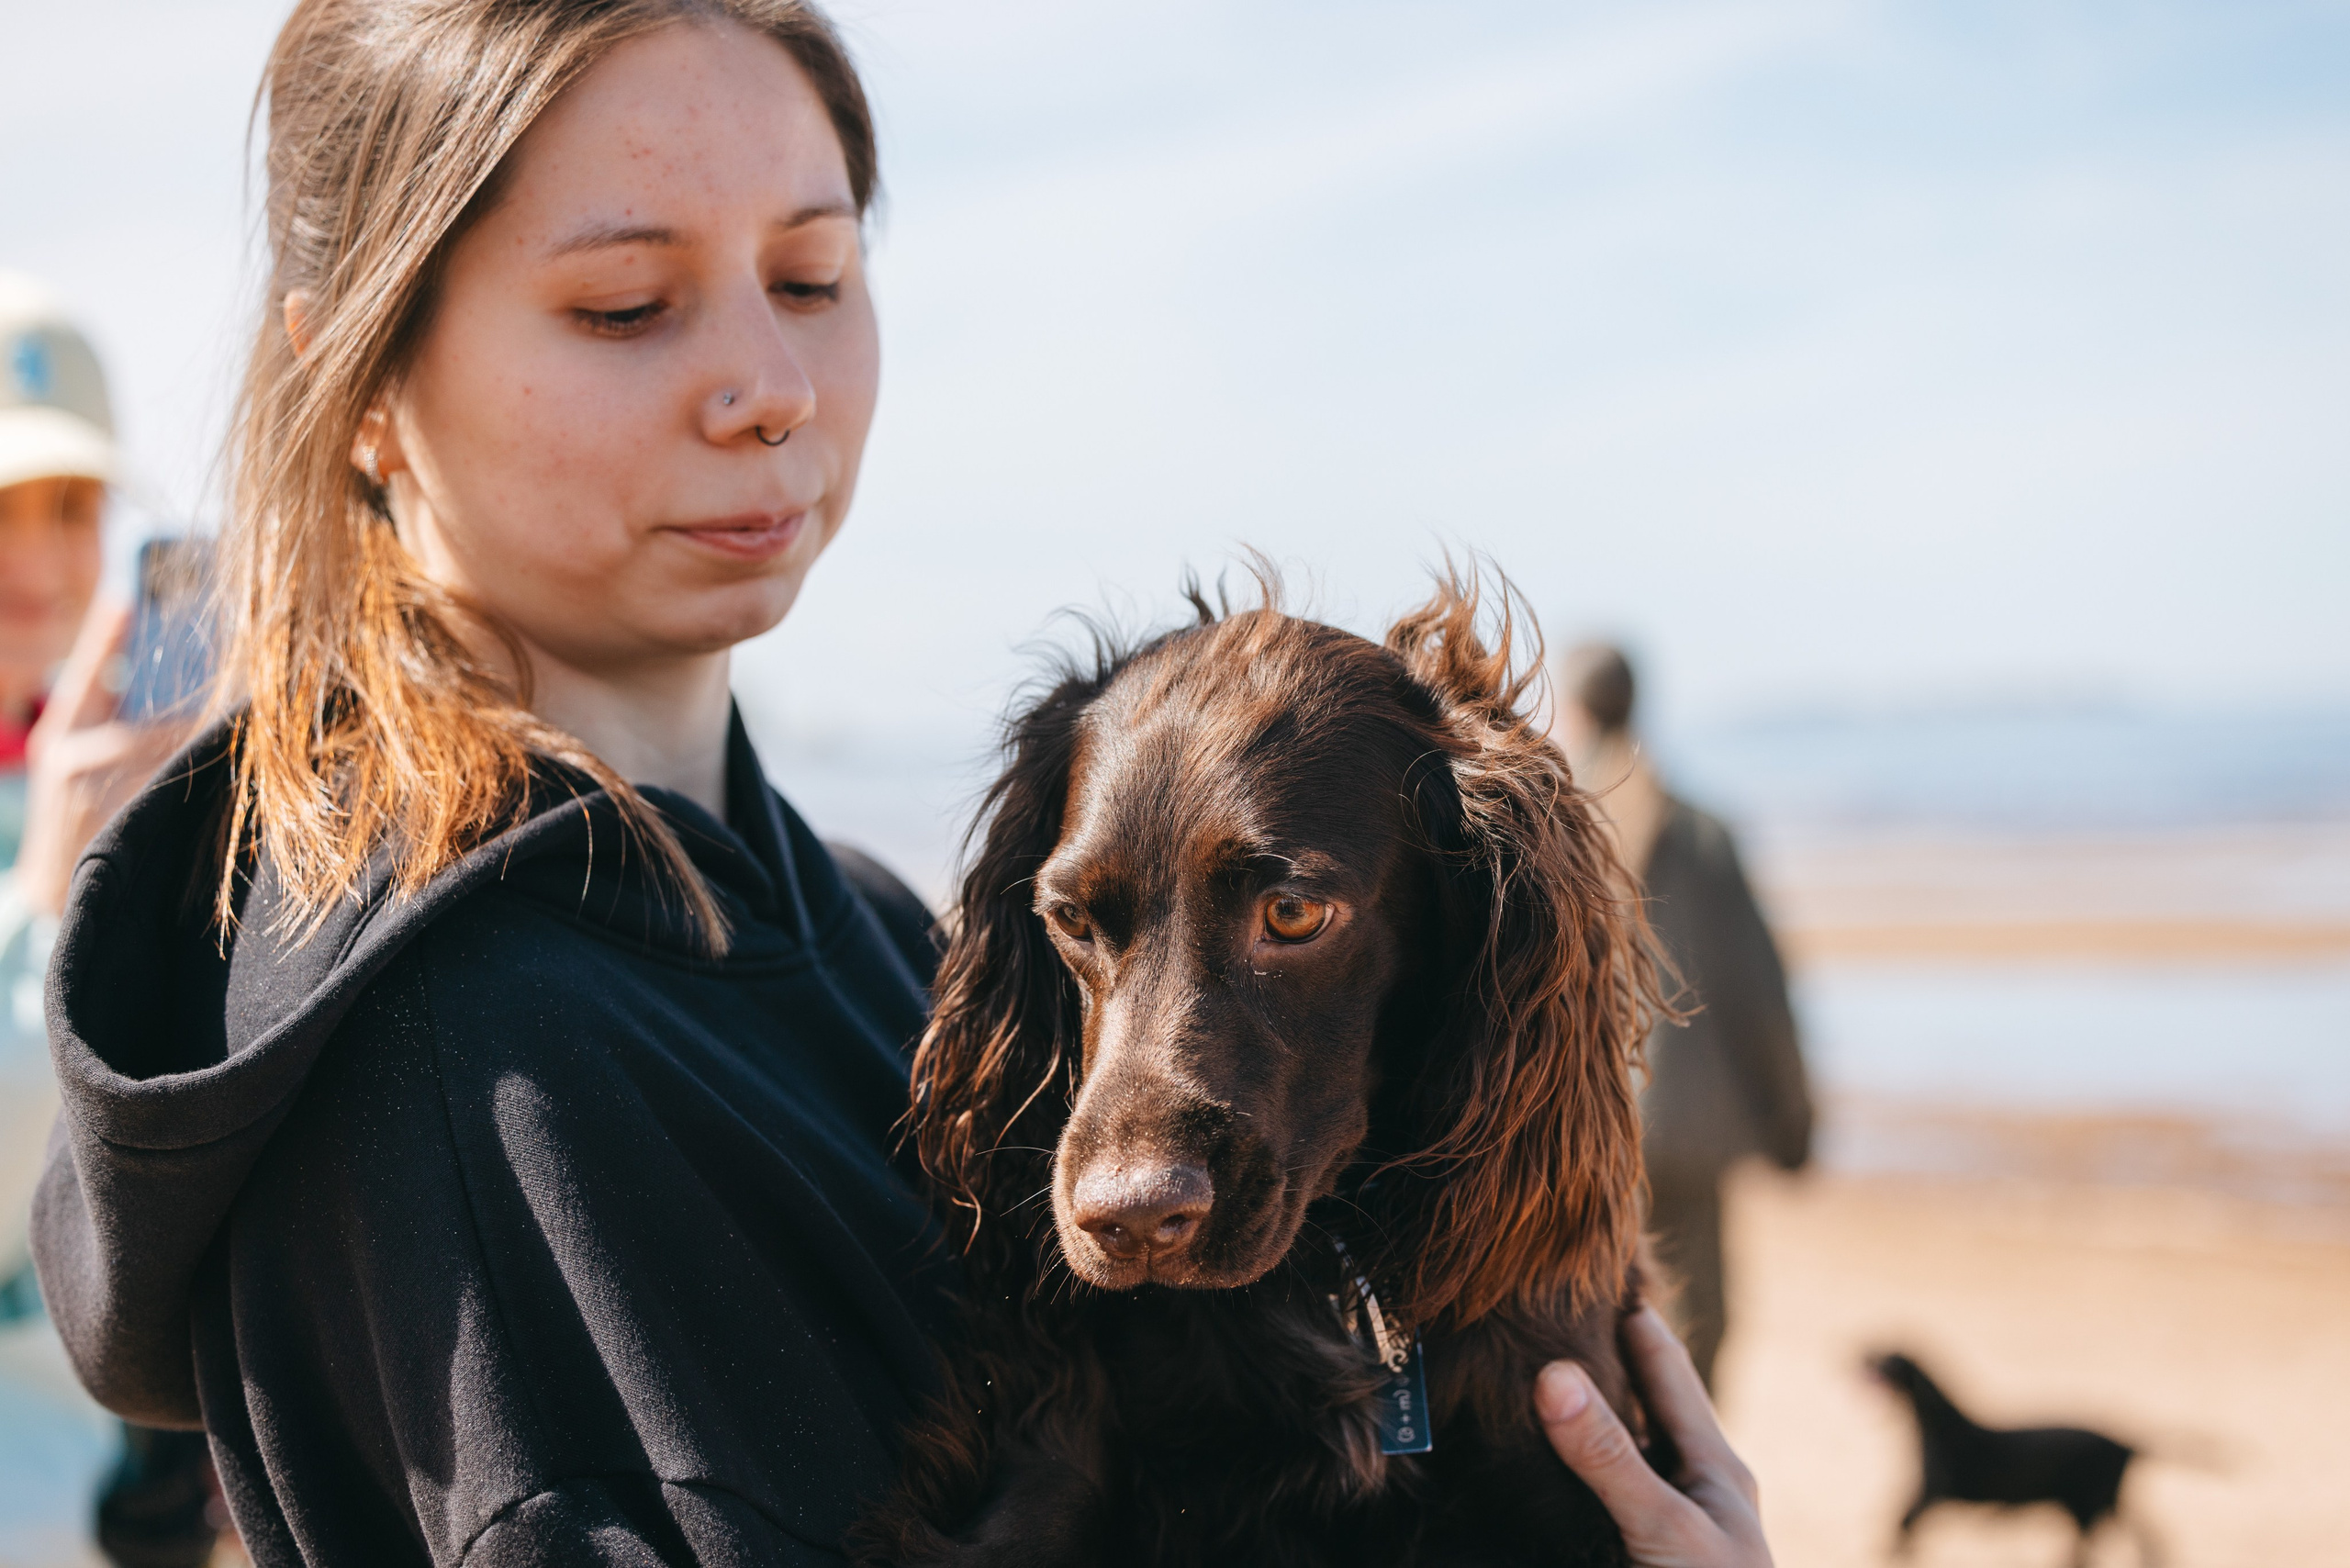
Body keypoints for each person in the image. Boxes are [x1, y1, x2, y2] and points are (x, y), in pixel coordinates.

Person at [27, 4, 1775, 1562]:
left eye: (811, 277)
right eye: (626, 304)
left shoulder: (868, 924)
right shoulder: (477, 1053)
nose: (772, 388)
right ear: (361, 385)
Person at [0, 272, 223, 1567]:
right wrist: (45, 901)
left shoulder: (118, 785)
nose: (36, 560)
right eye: (1, 507)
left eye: (72, 507)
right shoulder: (60, 818)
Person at [1555, 643, 1814, 1393]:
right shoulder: (1701, 834)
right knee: (1693, 1327)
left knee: (1580, 1316)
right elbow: (1760, 993)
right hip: (1685, 1125)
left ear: (1573, 712)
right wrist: (1791, 1121)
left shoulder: (1550, 827)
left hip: (1575, 1124)